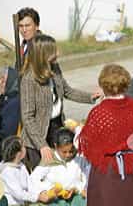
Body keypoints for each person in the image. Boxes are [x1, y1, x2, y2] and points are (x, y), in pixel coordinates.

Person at [20, 34, 100, 170]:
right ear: (42, 55)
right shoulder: (29, 80)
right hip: (38, 137)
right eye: (53, 51)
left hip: (57, 127)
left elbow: (67, 91)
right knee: (44, 176)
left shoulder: (54, 68)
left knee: (61, 171)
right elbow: (27, 117)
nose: (58, 53)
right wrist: (42, 145)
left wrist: (90, 97)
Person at [79, 64, 133, 206]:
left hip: (107, 169)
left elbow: (86, 142)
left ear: (104, 86)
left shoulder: (99, 111)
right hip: (131, 168)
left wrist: (78, 132)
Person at [30, 128, 87, 206]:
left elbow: (85, 175)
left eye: (71, 151)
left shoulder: (78, 157)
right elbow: (33, 178)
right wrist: (46, 190)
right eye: (64, 152)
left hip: (75, 196)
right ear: (56, 146)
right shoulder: (50, 159)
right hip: (55, 199)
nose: (68, 155)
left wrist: (78, 189)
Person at [0, 136, 49, 205]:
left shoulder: (21, 166)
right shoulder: (7, 171)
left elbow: (30, 184)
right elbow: (18, 193)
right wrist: (37, 197)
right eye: (23, 146)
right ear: (19, 153)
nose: (25, 148)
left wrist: (40, 192)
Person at [0, 68, 20, 164]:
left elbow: (7, 132)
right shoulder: (7, 98)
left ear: (11, 84)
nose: (0, 82)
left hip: (4, 150)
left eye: (4, 81)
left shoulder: (13, 104)